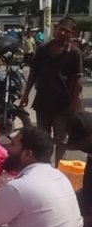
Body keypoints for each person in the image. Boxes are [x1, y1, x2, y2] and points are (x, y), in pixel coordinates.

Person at [21, 17, 82, 169]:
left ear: (71, 34)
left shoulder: (74, 53)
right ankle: (43, 167)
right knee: (42, 138)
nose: (62, 33)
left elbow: (77, 82)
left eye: (66, 31)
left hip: (63, 105)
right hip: (43, 102)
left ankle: (58, 168)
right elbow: (33, 74)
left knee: (61, 139)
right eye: (60, 29)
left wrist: (73, 105)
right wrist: (25, 94)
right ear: (56, 28)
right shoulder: (42, 50)